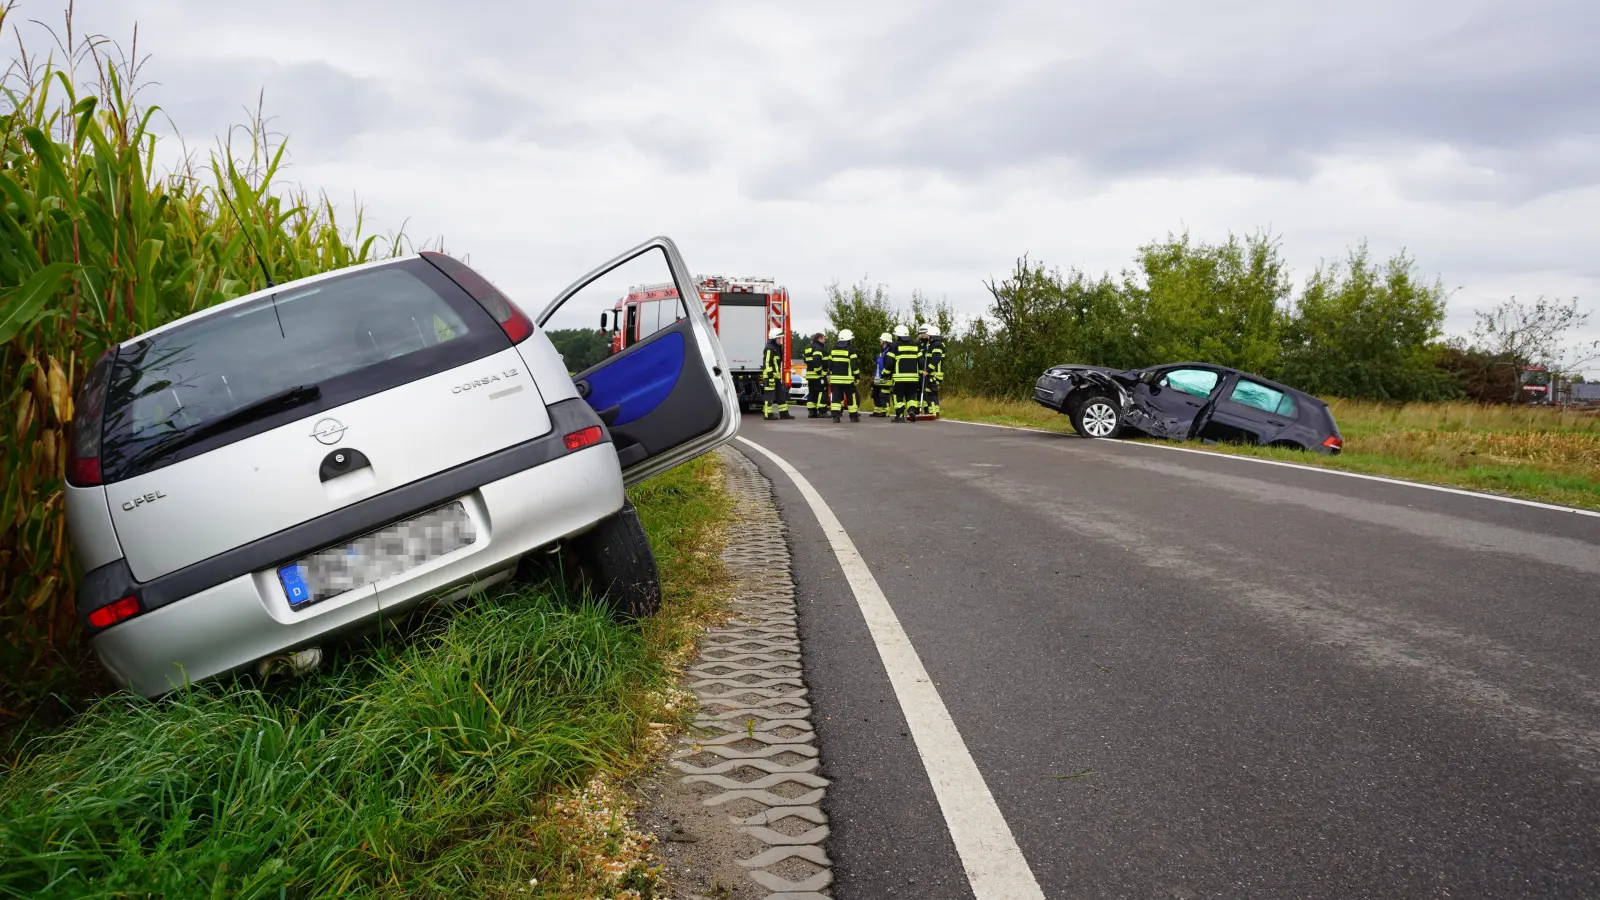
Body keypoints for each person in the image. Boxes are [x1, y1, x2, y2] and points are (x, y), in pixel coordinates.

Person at [888, 324, 921, 422]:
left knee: (898, 396)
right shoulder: (915, 345)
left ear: (898, 335)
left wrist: (886, 372)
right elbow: (922, 361)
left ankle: (900, 416)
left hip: (899, 378)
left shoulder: (895, 345)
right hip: (913, 378)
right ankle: (911, 410)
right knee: (911, 396)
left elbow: (889, 362)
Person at [827, 329, 861, 422]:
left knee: (836, 398)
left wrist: (829, 375)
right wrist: (857, 376)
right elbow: (854, 365)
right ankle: (853, 417)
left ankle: (835, 417)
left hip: (835, 380)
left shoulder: (833, 349)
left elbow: (829, 365)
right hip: (848, 380)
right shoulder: (851, 350)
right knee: (851, 398)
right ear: (849, 339)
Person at [762, 327, 793, 420]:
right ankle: (768, 414)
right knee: (769, 395)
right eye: (779, 338)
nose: (780, 340)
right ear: (774, 338)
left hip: (776, 376)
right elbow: (767, 363)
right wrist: (770, 375)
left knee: (781, 394)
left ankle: (784, 413)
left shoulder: (776, 348)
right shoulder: (769, 348)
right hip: (770, 376)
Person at [922, 324, 945, 418]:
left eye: (929, 336)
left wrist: (928, 370)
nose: (928, 337)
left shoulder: (937, 345)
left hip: (934, 374)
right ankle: (933, 412)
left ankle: (934, 413)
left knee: (931, 393)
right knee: (931, 392)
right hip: (933, 373)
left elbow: (935, 359)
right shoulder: (935, 344)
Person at [803, 331, 827, 418]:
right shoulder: (819, 348)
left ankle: (812, 412)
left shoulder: (808, 348)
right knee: (822, 392)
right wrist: (819, 371)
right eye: (823, 339)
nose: (824, 341)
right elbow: (816, 360)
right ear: (819, 338)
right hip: (818, 375)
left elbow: (806, 360)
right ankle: (822, 412)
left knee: (812, 393)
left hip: (810, 375)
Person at [870, 332, 893, 417]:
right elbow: (877, 364)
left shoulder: (889, 351)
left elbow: (889, 365)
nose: (880, 341)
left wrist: (884, 374)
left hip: (885, 377)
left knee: (883, 394)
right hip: (878, 376)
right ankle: (878, 410)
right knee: (875, 393)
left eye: (881, 340)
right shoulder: (881, 351)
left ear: (885, 341)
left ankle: (885, 410)